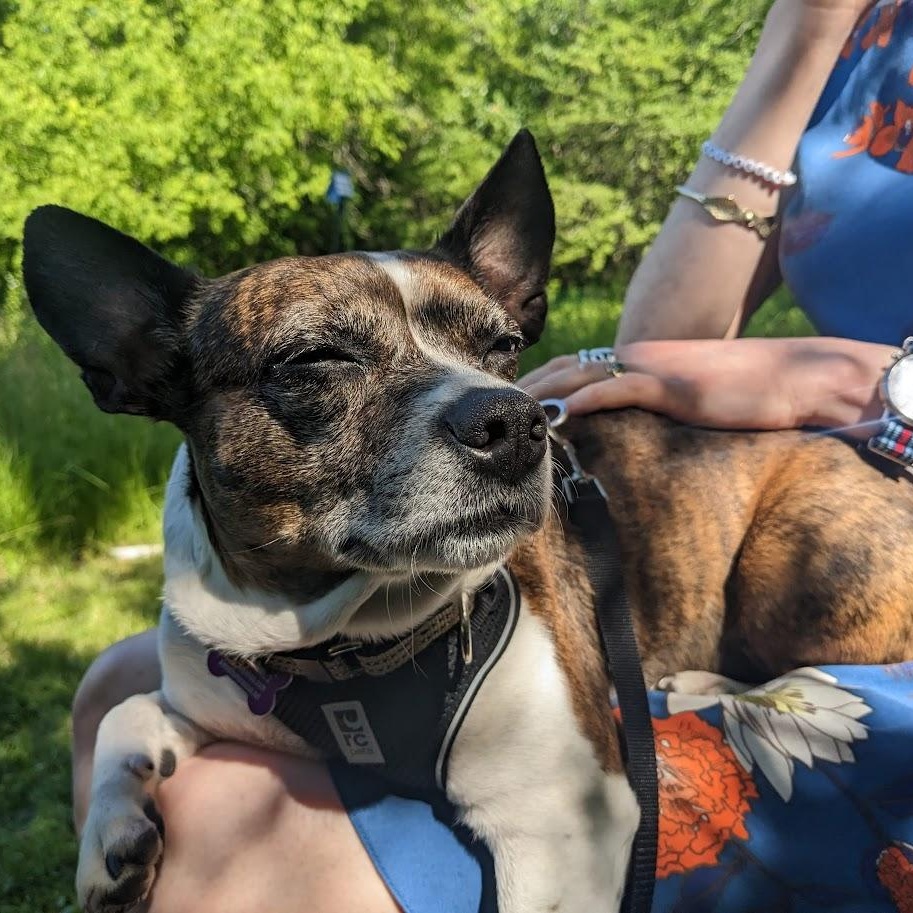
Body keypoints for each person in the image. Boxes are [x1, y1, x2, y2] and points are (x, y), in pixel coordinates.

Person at [73, 0, 913, 909]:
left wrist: (884, 381)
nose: (496, 407)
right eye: (322, 359)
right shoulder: (841, 35)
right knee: (114, 692)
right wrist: (804, 35)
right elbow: (664, 329)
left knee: (221, 836)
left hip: (854, 503)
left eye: (491, 350)